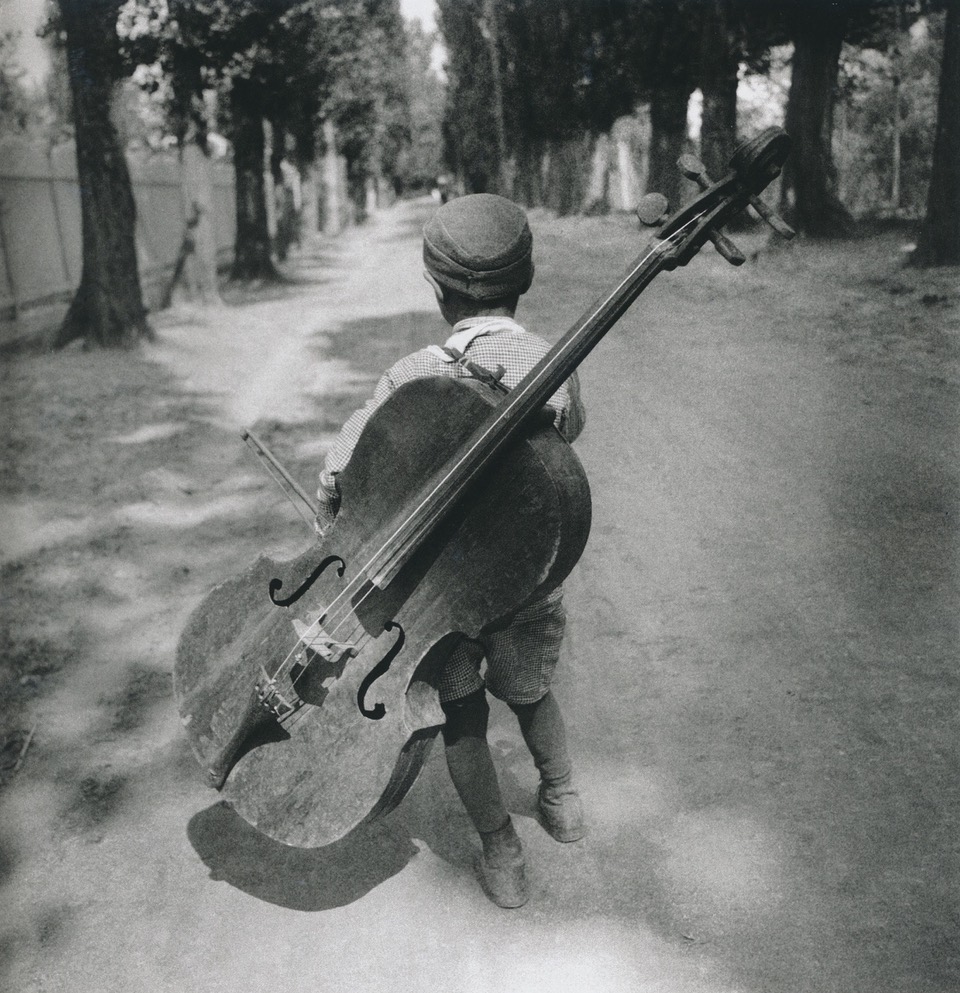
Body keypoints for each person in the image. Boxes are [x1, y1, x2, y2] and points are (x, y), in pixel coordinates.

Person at [314, 193, 587, 909]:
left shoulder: (410, 375)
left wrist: (332, 521)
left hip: (440, 598)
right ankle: (561, 798)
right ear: (525, 281)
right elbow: (564, 444)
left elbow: (342, 470)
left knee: (462, 715)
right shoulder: (556, 366)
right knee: (531, 691)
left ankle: (501, 850)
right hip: (525, 580)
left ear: (437, 290)